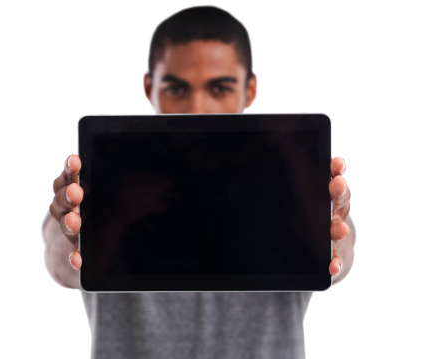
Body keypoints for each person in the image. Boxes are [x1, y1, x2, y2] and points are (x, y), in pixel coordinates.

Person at [43, 6, 356, 359]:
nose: (197, 108)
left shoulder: (288, 178)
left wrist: (334, 228)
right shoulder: (107, 178)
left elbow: (340, 255)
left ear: (249, 90)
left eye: (219, 88)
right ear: (150, 87)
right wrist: (81, 228)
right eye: (176, 88)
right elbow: (61, 265)